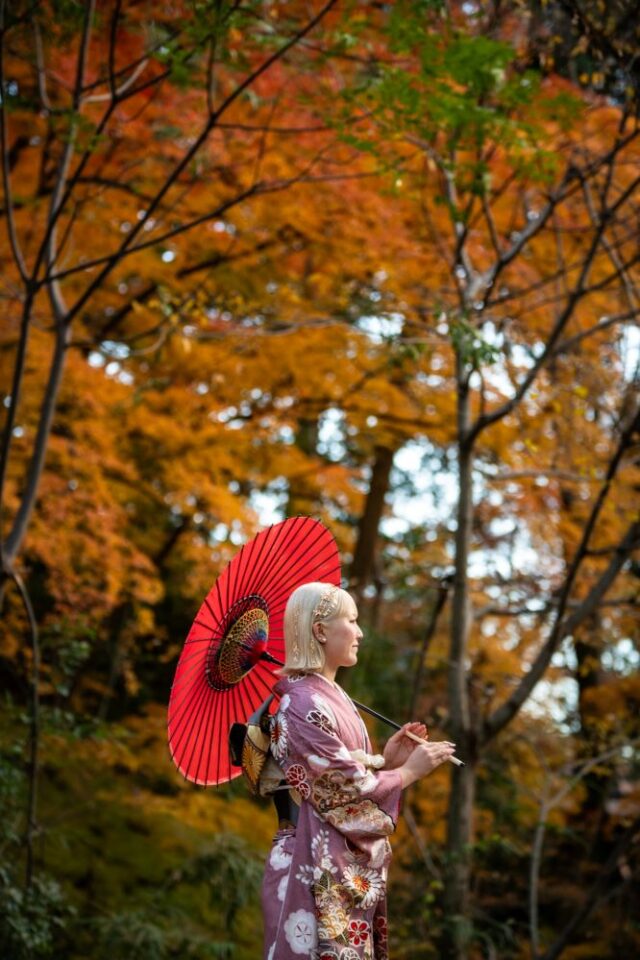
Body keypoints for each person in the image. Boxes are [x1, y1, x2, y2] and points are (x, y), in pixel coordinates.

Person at [261, 581, 456, 960]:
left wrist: (388, 761)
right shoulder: (303, 704)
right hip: (309, 860)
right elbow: (341, 789)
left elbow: (345, 775)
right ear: (320, 631)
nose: (360, 632)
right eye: (351, 620)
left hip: (332, 861)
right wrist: (409, 773)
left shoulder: (328, 698)